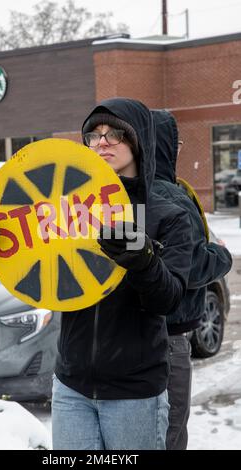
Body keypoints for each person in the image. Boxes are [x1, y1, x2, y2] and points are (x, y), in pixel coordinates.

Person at [0, 98, 194, 450]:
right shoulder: (64, 203)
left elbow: (170, 299)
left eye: (115, 133)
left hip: (134, 393)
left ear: (139, 139)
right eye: (93, 134)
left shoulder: (167, 215)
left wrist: (144, 261)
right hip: (71, 387)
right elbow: (39, 276)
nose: (102, 142)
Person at [151, 109, 232, 450]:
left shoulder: (119, 194)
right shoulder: (170, 195)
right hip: (169, 335)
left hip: (135, 333)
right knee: (169, 432)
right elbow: (190, 264)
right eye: (176, 142)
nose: (179, 149)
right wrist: (221, 256)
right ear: (163, 146)